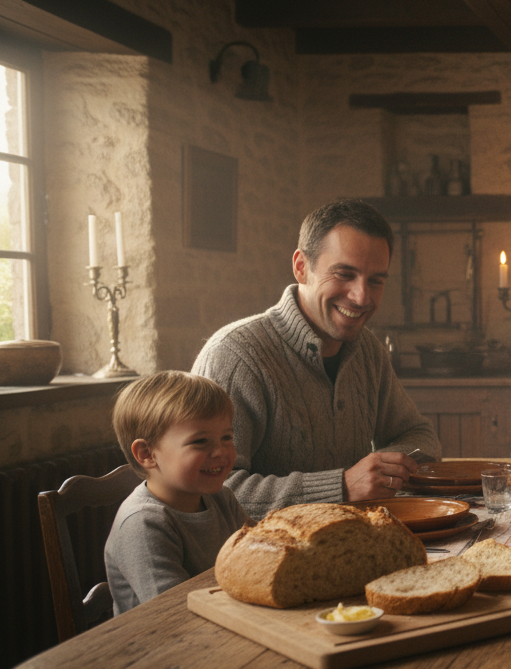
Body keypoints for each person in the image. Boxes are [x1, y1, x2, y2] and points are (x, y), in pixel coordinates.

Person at [192, 199, 440, 519]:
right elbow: (210, 489)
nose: (362, 297)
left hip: (352, 544)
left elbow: (422, 436)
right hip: (258, 561)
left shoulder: (368, 350)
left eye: (376, 280)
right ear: (301, 267)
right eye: (344, 274)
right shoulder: (236, 355)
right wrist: (342, 487)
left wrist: (382, 470)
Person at [105, 371, 249, 615]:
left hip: (221, 619)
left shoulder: (222, 498)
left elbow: (251, 559)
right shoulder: (143, 523)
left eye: (227, 437)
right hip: (159, 642)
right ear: (147, 454)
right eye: (200, 441)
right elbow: (176, 611)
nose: (220, 452)